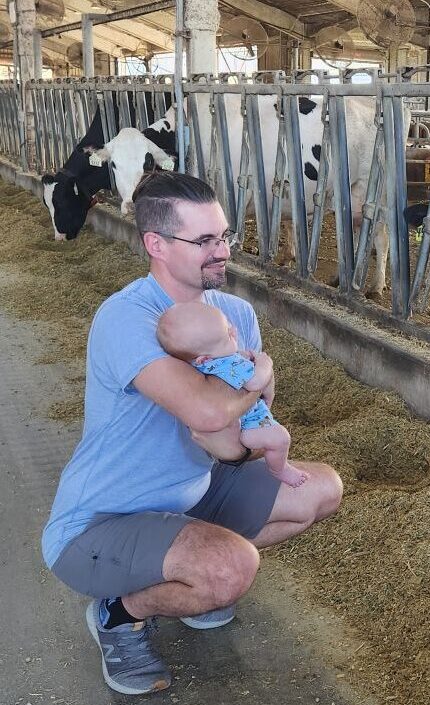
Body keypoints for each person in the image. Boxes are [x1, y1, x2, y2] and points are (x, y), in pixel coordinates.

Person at [40, 171, 343, 696]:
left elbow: (235, 437)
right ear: (156, 244)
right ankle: (119, 614)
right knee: (230, 569)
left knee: (321, 490)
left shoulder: (235, 313)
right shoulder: (125, 319)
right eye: (203, 240)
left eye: (224, 235)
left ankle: (187, 571)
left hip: (193, 493)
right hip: (103, 521)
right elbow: (208, 411)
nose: (221, 251)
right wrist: (258, 379)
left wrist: (238, 420)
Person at [156, 301, 309, 488]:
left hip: (242, 421)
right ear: (205, 358)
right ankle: (280, 469)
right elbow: (256, 382)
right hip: (247, 426)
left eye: (229, 327)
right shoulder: (229, 363)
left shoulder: (203, 363)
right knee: (281, 438)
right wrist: (265, 363)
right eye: (228, 335)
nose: (234, 331)